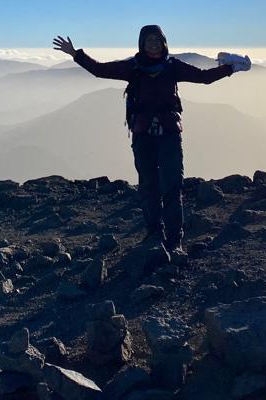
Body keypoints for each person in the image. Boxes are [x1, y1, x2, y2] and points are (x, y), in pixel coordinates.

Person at [52, 25, 249, 260]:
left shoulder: (172, 66)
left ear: (164, 43)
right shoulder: (132, 67)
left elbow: (203, 77)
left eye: (157, 40)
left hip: (167, 134)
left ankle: (174, 239)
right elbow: (99, 70)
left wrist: (229, 68)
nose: (153, 44)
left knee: (172, 185)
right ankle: (155, 234)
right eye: (149, 41)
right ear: (142, 44)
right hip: (143, 135)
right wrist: (76, 54)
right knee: (148, 185)